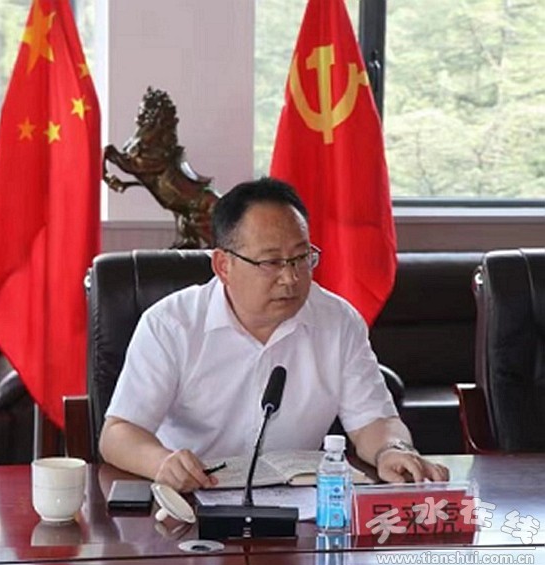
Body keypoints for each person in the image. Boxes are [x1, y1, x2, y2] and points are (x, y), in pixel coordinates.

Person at [99, 177, 450, 492]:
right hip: (192, 502)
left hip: (299, 507)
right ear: (223, 265)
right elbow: (118, 433)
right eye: (271, 262)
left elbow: (374, 420)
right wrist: (162, 463)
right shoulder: (171, 324)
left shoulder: (338, 321)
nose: (291, 278)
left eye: (301, 258)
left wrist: (393, 450)